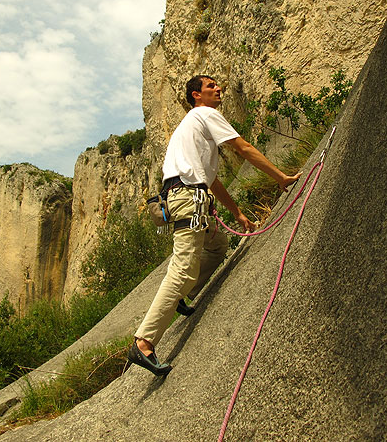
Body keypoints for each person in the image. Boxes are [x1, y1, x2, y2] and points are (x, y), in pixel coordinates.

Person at [127, 75, 301, 375]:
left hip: (188, 197)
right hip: (188, 198)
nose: (218, 88)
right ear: (197, 95)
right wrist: (280, 177)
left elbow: (213, 180)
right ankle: (143, 342)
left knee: (217, 246)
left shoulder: (192, 129)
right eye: (211, 86)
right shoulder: (204, 113)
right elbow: (242, 147)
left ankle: (183, 296)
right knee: (183, 268)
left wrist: (236, 213)